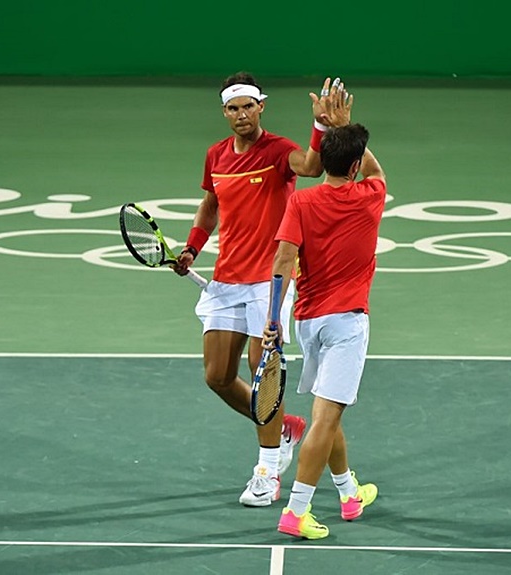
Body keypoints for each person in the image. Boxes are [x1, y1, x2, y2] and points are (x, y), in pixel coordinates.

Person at [172, 72, 352, 507]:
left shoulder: (277, 151)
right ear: (224, 113)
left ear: (260, 107)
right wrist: (193, 247)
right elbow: (211, 204)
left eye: (247, 107)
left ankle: (268, 470)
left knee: (261, 367)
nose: (240, 115)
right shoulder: (215, 154)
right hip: (227, 278)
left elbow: (310, 166)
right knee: (217, 376)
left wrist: (323, 126)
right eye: (232, 109)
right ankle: (283, 426)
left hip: (269, 278)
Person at [262, 123, 386, 538]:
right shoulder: (371, 196)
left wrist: (272, 319)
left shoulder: (301, 201)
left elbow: (282, 261)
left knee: (325, 417)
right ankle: (296, 512)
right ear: (353, 166)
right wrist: (339, 124)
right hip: (346, 324)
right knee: (324, 420)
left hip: (307, 321)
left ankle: (349, 493)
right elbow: (375, 171)